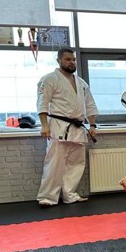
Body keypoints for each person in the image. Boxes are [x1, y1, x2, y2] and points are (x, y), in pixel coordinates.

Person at [36, 47, 98, 206]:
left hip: (78, 127)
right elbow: (42, 103)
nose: (72, 62)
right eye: (68, 59)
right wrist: (44, 125)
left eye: (73, 59)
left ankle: (69, 194)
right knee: (54, 163)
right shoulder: (49, 79)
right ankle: (47, 197)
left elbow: (90, 105)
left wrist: (92, 125)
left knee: (76, 164)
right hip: (58, 126)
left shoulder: (81, 83)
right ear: (59, 60)